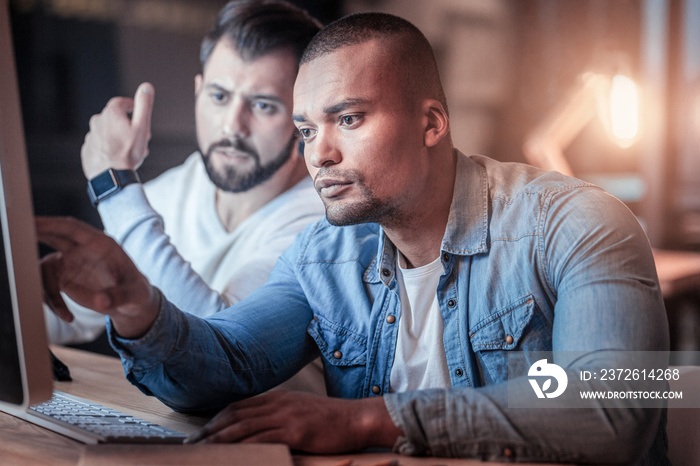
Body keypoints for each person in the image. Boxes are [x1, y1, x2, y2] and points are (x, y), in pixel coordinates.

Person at [38, 11, 671, 464]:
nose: (322, 153)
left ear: (431, 122)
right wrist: (134, 305)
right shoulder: (326, 253)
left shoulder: (581, 222)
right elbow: (223, 366)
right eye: (308, 130)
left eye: (348, 118)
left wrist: (371, 418)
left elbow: (616, 408)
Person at [44, 1, 326, 394]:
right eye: (219, 96)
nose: (232, 125)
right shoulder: (171, 192)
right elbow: (65, 314)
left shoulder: (324, 221)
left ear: (305, 117)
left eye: (263, 105)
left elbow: (218, 350)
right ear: (198, 92)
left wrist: (115, 187)